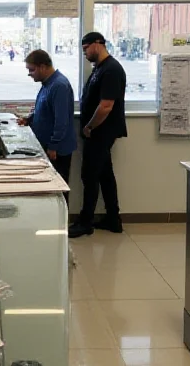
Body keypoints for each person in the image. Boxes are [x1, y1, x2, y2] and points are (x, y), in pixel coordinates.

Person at [69, 32, 127, 238]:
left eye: (86, 48)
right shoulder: (100, 69)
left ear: (98, 44)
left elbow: (106, 106)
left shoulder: (111, 70)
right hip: (98, 131)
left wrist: (89, 127)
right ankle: (113, 219)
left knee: (89, 175)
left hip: (101, 131)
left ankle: (86, 222)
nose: (84, 52)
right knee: (104, 174)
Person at [18, 50, 77, 201]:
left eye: (32, 70)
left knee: (57, 191)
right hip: (48, 145)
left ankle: (60, 224)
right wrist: (29, 119)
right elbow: (44, 109)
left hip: (57, 150)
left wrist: (53, 145)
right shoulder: (47, 83)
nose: (30, 74)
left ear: (43, 67)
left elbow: (61, 120)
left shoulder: (59, 86)